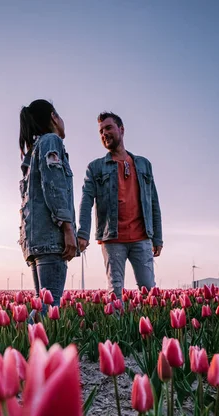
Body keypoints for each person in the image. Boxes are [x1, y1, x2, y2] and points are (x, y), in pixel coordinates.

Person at [77, 111, 163, 298]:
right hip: (112, 238)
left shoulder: (143, 164)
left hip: (142, 237)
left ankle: (147, 326)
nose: (104, 134)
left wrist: (157, 237)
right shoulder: (95, 167)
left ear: (121, 129)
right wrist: (83, 233)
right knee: (115, 291)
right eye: (100, 131)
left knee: (149, 291)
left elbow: (154, 202)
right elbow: (86, 201)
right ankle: (117, 327)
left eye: (108, 128)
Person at [19, 99, 77, 307]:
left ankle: (28, 340)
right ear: (53, 116)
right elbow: (54, 186)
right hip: (51, 240)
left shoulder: (31, 153)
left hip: (34, 242)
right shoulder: (51, 141)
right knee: (49, 310)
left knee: (41, 306)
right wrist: (67, 228)